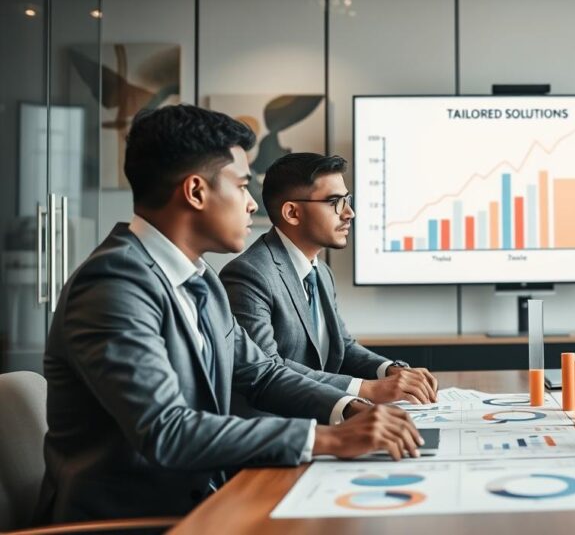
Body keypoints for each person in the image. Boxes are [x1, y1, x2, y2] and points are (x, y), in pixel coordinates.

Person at [36, 105, 421, 524]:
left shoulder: (200, 279)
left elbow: (261, 373)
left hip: (205, 500)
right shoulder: (113, 285)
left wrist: (348, 408)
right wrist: (325, 439)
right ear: (196, 191)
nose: (253, 204)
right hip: (133, 522)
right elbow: (168, 431)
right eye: (241, 186)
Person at [220, 153, 438, 406]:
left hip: (327, 414)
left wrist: (389, 370)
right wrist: (367, 389)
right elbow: (267, 368)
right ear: (292, 212)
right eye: (335, 202)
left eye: (347, 200)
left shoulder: (320, 272)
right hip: (279, 423)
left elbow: (341, 346)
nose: (349, 213)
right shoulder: (249, 274)